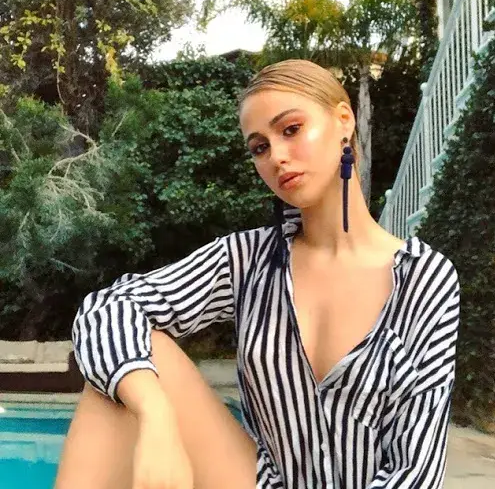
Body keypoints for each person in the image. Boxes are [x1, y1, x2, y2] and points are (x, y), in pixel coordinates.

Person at [55, 59, 460, 489]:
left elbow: (415, 472)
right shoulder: (247, 259)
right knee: (125, 371)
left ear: (344, 120)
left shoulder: (426, 279)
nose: (277, 157)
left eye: (291, 129)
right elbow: (107, 309)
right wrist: (155, 415)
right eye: (260, 148)